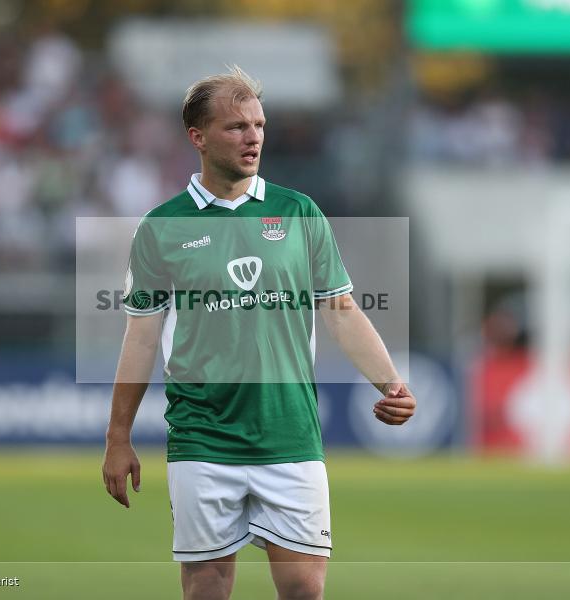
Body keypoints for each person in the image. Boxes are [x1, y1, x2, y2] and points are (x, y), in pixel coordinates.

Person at [102, 65, 415, 600]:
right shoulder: (161, 226)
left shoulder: (298, 212)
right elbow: (142, 337)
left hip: (289, 434)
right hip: (203, 436)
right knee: (207, 588)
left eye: (259, 125)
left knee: (303, 593)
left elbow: (339, 310)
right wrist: (118, 437)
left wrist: (390, 382)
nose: (253, 138)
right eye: (236, 127)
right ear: (197, 137)